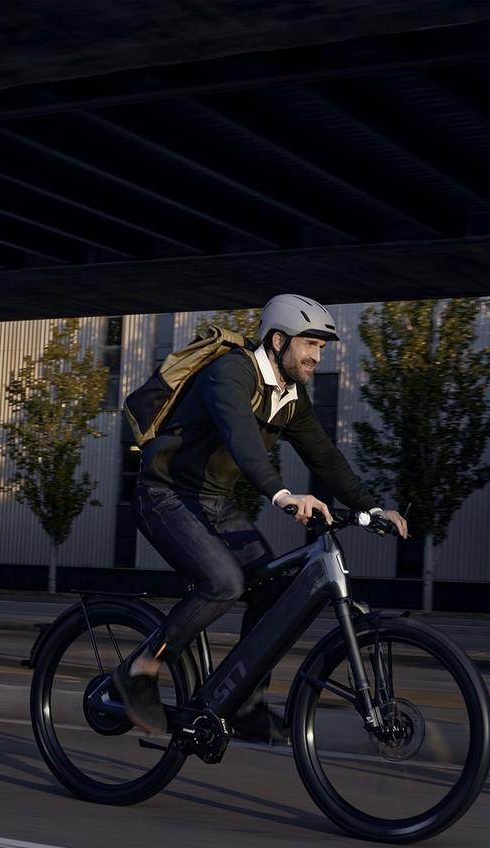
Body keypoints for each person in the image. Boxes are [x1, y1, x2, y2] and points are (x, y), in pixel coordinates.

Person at [114, 294, 408, 736]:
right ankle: (138, 672)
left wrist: (371, 505)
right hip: (165, 497)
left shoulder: (291, 397)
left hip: (214, 502)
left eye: (322, 348)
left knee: (273, 588)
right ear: (277, 340)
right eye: (310, 344)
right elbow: (240, 438)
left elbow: (324, 456)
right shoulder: (231, 372)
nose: (317, 355)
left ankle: (244, 703)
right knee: (225, 582)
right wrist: (283, 494)